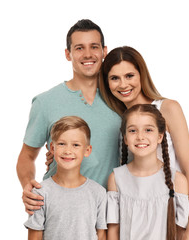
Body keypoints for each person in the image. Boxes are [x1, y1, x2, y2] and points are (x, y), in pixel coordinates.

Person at [17, 19, 121, 215]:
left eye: (94, 47)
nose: (88, 54)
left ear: (104, 51)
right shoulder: (46, 102)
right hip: (60, 211)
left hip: (109, 213)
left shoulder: (120, 98)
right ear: (68, 54)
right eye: (80, 48)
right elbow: (27, 156)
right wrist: (27, 185)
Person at [99, 46, 189, 239]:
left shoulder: (168, 108)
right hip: (134, 222)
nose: (123, 84)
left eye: (129, 76)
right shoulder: (121, 121)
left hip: (169, 220)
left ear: (141, 75)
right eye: (114, 78)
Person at [107, 104, 189, 240]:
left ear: (160, 137)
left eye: (148, 130)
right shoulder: (116, 178)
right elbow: (113, 231)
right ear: (125, 138)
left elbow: (181, 233)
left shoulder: (178, 180)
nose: (140, 136)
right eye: (133, 130)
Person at [24, 116, 107, 240]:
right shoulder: (40, 193)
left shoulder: (98, 192)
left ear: (87, 150)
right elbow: (35, 236)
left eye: (76, 145)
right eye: (62, 144)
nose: (68, 151)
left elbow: (101, 234)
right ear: (52, 148)